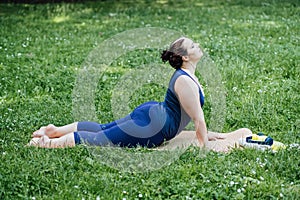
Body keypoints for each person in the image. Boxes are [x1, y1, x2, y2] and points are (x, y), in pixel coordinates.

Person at [28, 37, 252, 152]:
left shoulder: (188, 76)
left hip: (152, 115)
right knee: (103, 138)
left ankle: (55, 131)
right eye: (193, 45)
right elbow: (197, 119)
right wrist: (204, 146)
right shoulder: (185, 80)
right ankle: (47, 142)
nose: (198, 45)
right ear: (184, 57)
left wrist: (210, 134)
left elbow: (191, 118)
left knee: (104, 128)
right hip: (153, 126)